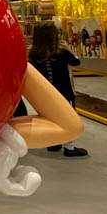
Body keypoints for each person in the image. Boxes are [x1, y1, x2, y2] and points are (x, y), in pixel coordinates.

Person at [28, 21, 87, 156]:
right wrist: (69, 49)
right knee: (69, 118)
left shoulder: (33, 55)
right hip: (64, 93)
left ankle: (53, 142)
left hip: (44, 94)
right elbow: (76, 62)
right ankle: (69, 147)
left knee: (49, 118)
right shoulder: (62, 53)